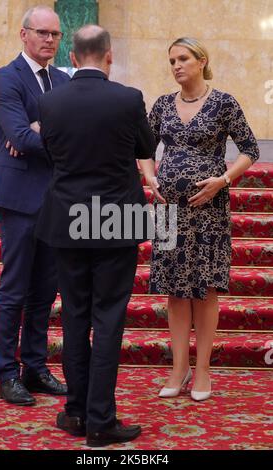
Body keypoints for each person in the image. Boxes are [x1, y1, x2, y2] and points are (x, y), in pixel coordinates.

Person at [35, 25, 155, 446]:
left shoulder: (49, 102)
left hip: (67, 220)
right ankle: (101, 421)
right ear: (109, 55)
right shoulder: (128, 98)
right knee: (108, 320)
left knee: (73, 317)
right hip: (116, 221)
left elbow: (51, 153)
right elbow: (145, 147)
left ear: (72, 53)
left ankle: (75, 413)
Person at [139, 37, 259, 401]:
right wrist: (150, 176)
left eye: (183, 58)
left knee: (205, 289)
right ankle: (179, 368)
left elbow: (249, 150)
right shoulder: (162, 104)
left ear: (201, 60)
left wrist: (223, 179)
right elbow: (143, 148)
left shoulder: (223, 102)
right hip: (168, 211)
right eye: (172, 59)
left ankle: (203, 368)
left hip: (208, 209)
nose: (176, 65)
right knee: (175, 291)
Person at [0, 5, 70, 406]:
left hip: (56, 199)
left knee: (44, 291)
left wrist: (41, 132)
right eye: (42, 33)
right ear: (23, 35)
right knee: (15, 288)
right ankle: (6, 373)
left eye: (55, 34)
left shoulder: (61, 81)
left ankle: (34, 368)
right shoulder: (6, 78)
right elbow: (20, 134)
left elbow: (46, 138)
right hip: (19, 199)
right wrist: (39, 134)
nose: (49, 40)